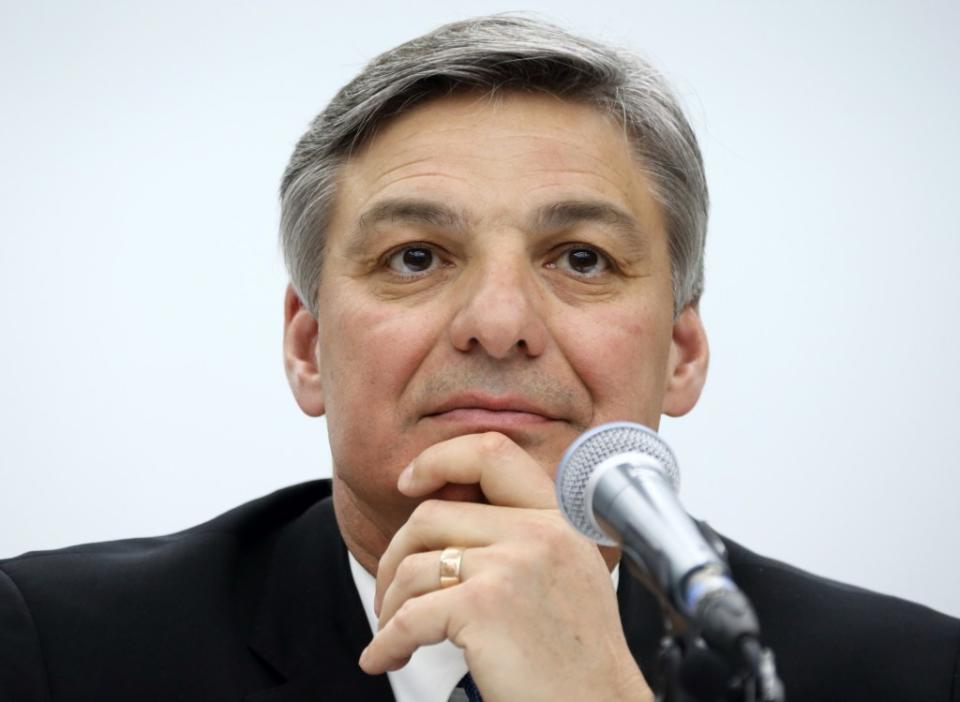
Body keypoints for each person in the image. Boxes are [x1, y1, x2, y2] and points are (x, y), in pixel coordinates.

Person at [1, 15, 957, 702]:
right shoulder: (54, 650)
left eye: (581, 258)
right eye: (416, 257)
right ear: (307, 348)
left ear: (681, 350)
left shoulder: (913, 674)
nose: (498, 325)